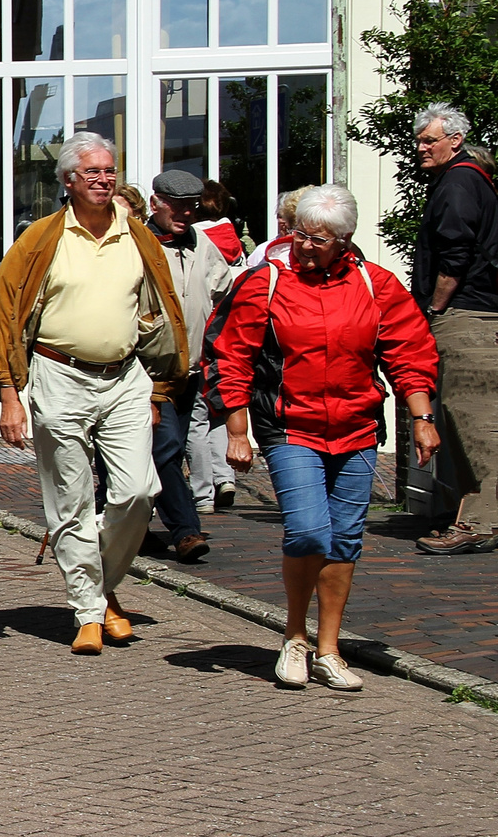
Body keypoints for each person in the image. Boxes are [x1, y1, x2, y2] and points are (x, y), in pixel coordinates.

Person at [204, 184, 439, 689]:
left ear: (344, 239)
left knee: (345, 539)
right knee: (309, 530)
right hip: (292, 427)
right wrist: (237, 429)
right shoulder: (265, 281)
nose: (306, 246)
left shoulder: (376, 284)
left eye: (320, 238)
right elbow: (230, 354)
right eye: (301, 235)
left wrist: (421, 417)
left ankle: (330, 649)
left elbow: (409, 351)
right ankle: (294, 636)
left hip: (356, 428)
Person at [0, 132, 187, 656]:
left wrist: (160, 385)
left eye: (109, 171)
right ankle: (91, 611)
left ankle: (95, 587)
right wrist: (9, 391)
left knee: (139, 492)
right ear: (69, 181)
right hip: (58, 374)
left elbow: (161, 310)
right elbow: (4, 314)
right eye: (92, 172)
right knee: (70, 499)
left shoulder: (139, 236)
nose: (103, 179)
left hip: (125, 377)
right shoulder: (41, 239)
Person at [407, 103, 498, 554]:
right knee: (465, 422)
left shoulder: (460, 181)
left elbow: (456, 252)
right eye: (419, 139)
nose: (420, 147)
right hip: (471, 314)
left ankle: (482, 522)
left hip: (468, 316)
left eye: (430, 140)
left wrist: (437, 308)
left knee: (476, 424)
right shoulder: (465, 179)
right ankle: (467, 516)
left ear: (455, 141)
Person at [143, 170, 234, 563]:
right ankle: (186, 530)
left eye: (191, 207)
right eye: (175, 206)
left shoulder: (202, 244)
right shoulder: (137, 243)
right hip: (147, 372)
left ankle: (118, 522)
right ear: (155, 204)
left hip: (191, 371)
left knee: (155, 453)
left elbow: (223, 290)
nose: (184, 214)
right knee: (166, 451)